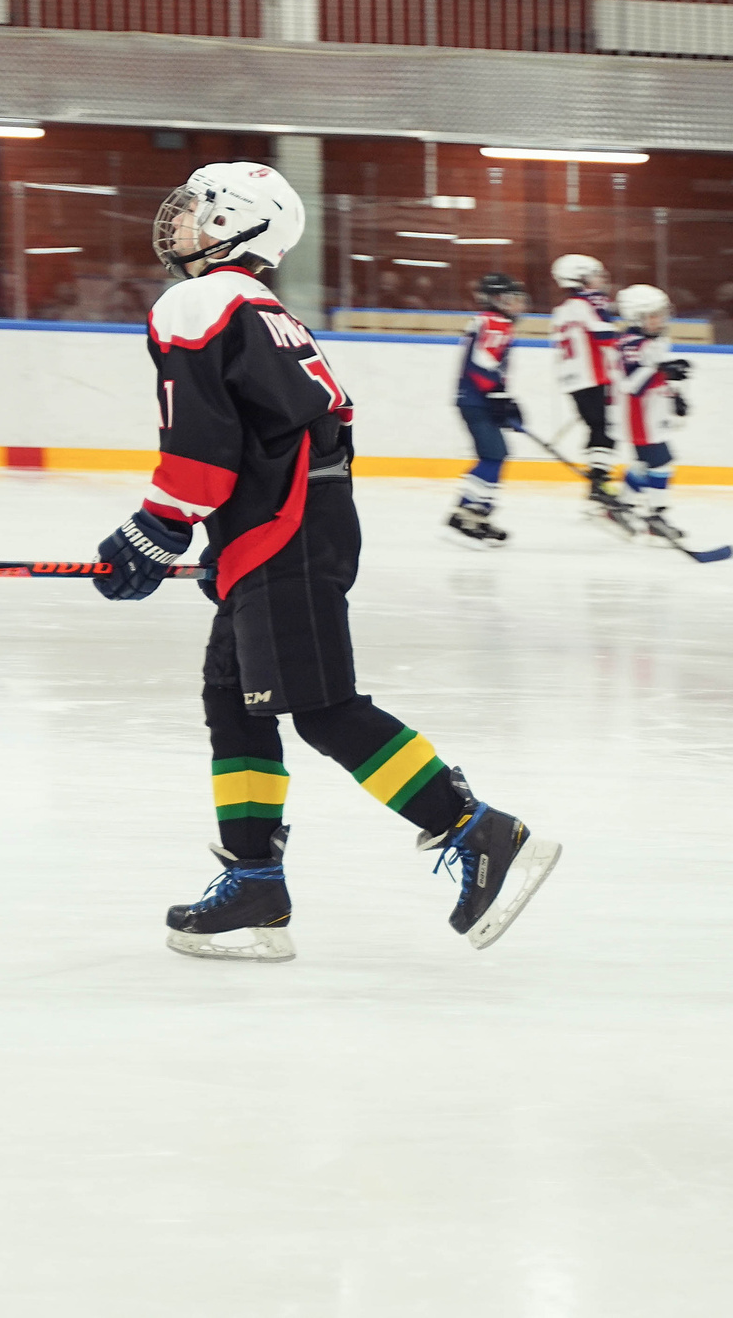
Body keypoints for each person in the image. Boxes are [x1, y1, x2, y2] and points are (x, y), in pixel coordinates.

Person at [91, 162, 560, 962]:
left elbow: (205, 448)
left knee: (320, 706)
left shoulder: (201, 300)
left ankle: (477, 830)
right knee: (235, 703)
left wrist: (157, 528)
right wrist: (228, 551)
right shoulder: (260, 308)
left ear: (242, 225)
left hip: (283, 529)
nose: (182, 222)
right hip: (285, 525)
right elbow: (283, 436)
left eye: (204, 210)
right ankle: (255, 883)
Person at [448, 271, 529, 546]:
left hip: (476, 399)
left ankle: (478, 513)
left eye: (519, 299)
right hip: (476, 400)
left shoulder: (489, 321)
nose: (517, 305)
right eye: (510, 299)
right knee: (494, 454)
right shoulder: (496, 322)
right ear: (494, 299)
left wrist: (502, 397)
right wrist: (498, 396)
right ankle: (465, 514)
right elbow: (482, 364)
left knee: (496, 454)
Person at [612, 284, 692, 543]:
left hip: (652, 414)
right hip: (639, 416)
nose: (660, 320)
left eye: (661, 314)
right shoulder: (630, 344)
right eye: (653, 315)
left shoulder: (652, 342)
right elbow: (631, 384)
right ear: (636, 317)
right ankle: (656, 517)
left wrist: (675, 395)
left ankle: (622, 506)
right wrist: (663, 369)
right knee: (660, 462)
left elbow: (656, 373)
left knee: (648, 464)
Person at [550, 253, 625, 514]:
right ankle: (599, 485)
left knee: (599, 428)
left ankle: (599, 482)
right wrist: (626, 341)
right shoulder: (588, 302)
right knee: (607, 428)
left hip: (573, 380)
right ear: (579, 279)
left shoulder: (561, 310)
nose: (600, 280)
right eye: (595, 274)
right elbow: (602, 333)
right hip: (594, 377)